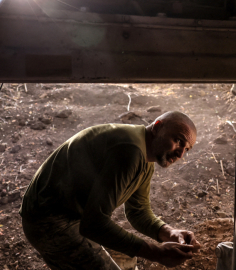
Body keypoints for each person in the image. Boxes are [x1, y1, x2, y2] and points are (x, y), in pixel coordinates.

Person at [19, 111, 201, 269]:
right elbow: (94, 224)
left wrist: (168, 232)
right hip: (48, 221)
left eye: (187, 149)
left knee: (127, 259)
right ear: (157, 127)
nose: (180, 154)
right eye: (178, 141)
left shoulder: (144, 158)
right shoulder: (130, 151)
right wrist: (156, 252)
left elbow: (138, 212)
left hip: (74, 217)